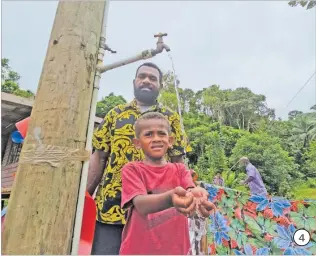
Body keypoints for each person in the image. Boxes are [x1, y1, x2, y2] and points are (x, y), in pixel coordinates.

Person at [87, 62, 192, 255]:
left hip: (155, 213)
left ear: (160, 85)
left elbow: (178, 162)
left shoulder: (171, 119)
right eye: (142, 76)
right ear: (134, 81)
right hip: (111, 210)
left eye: (153, 78)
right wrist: (86, 197)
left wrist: (188, 197)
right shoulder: (115, 114)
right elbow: (99, 157)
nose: (146, 80)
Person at [120, 112, 215, 255]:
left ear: (170, 140)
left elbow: (191, 191)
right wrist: (171, 198)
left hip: (176, 250)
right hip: (138, 250)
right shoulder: (132, 169)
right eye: (148, 134)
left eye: (161, 134)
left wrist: (199, 201)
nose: (156, 139)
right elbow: (140, 204)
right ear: (137, 143)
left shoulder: (180, 169)